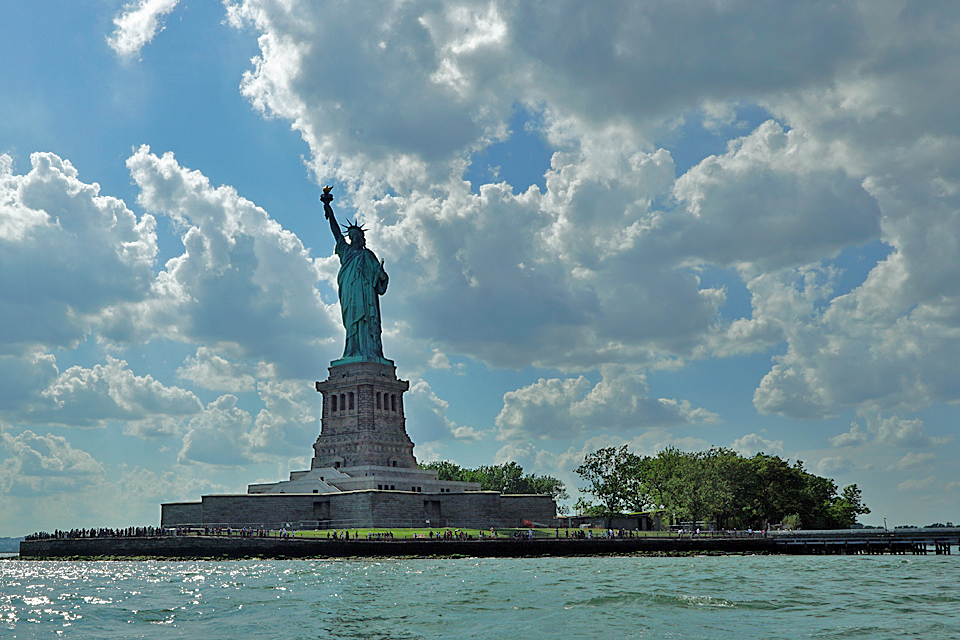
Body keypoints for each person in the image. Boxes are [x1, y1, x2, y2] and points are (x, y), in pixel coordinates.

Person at [321, 187, 389, 360]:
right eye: (351, 236)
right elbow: (335, 231)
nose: (354, 238)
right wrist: (328, 208)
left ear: (362, 238)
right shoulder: (346, 252)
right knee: (352, 323)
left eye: (357, 235)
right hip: (351, 294)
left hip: (366, 297)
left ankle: (369, 351)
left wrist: (381, 276)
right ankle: (353, 351)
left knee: (367, 321)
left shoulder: (368, 255)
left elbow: (381, 279)